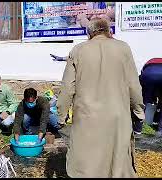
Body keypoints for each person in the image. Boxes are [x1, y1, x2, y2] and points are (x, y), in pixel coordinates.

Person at [56, 18, 144, 178]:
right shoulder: (123, 48)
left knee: (87, 165)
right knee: (116, 165)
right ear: (109, 31)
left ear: (89, 33)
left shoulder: (78, 50)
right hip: (117, 117)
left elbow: (67, 88)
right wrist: (139, 112)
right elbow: (134, 85)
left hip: (87, 117)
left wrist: (61, 116)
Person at [139, 58, 162, 137]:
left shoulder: (151, 61)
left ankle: (139, 127)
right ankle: (160, 131)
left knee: (143, 101)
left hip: (148, 74)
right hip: (149, 73)